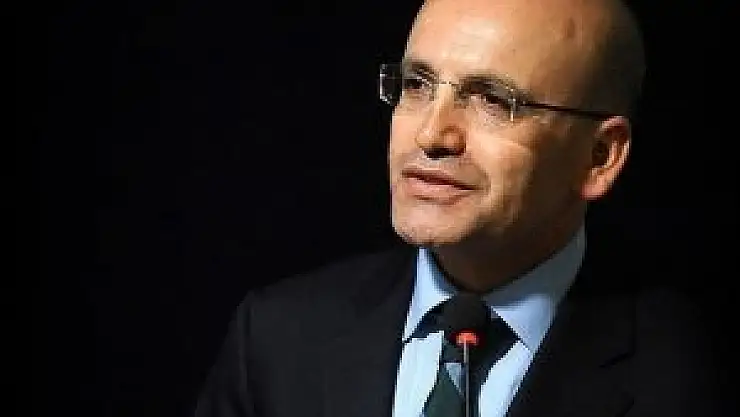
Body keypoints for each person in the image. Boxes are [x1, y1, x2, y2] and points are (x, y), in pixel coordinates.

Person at [192, 0, 728, 416]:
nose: (432, 134)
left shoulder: (688, 379)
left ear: (598, 157)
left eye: (493, 99)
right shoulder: (276, 339)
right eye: (417, 85)